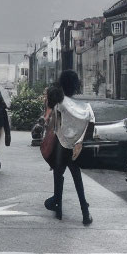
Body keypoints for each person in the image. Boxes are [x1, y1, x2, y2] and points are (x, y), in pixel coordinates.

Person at [44, 70, 95, 224]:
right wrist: (80, 142)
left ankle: (58, 208)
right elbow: (90, 128)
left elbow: (53, 124)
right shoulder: (86, 107)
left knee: (58, 175)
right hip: (76, 148)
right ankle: (85, 214)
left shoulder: (60, 104)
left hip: (61, 145)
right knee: (77, 179)